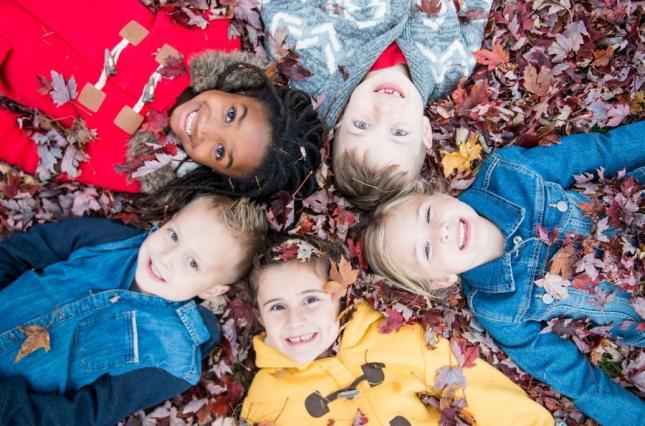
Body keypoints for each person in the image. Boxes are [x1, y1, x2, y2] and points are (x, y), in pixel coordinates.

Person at [363, 121, 645, 425]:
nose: (440, 231)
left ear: (438, 195)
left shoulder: (508, 174)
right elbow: (577, 379)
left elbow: (602, 152)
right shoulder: (499, 309)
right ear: (441, 280)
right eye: (427, 251)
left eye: (428, 214)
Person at [0, 0, 323, 201]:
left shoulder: (131, 165)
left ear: (212, 171)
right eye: (230, 115)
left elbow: (30, 149)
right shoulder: (209, 32)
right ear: (245, 90)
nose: (207, 128)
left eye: (221, 151)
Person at [0, 193, 267, 425]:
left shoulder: (170, 358)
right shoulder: (106, 239)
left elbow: (88, 413)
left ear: (211, 290)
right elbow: (20, 252)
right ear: (167, 221)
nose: (166, 257)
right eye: (173, 235)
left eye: (193, 264)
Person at [240, 238, 554, 425]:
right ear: (259, 315)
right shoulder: (265, 397)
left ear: (339, 294)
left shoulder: (395, 336)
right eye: (277, 307)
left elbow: (479, 391)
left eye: (310, 300)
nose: (296, 320)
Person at [260, 0, 491, 208]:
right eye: (399, 132)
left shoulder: (314, 67)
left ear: (340, 121)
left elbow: (278, 12)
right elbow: (472, 15)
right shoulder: (450, 68)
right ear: (425, 132)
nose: (384, 111)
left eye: (361, 125)